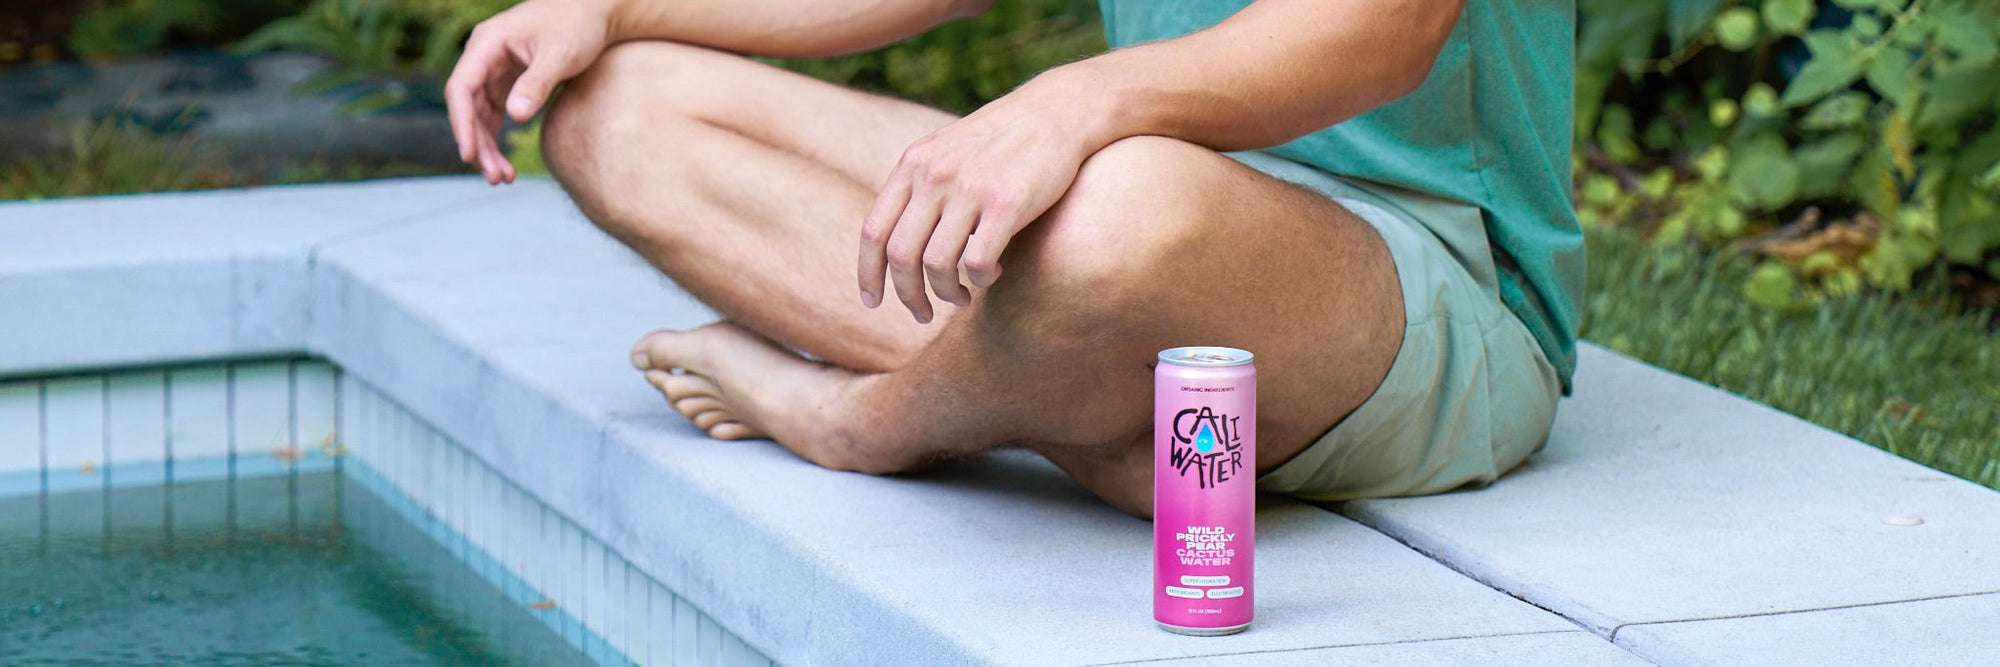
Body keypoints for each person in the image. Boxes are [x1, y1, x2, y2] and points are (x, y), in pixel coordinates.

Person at [444, 0, 1583, 518]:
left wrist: (1076, 103)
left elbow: (1386, 29)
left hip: (1428, 293)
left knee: (1121, 206)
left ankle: (872, 420)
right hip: (1138, 225)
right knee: (614, 108)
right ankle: (1089, 404)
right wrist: (615, 6)